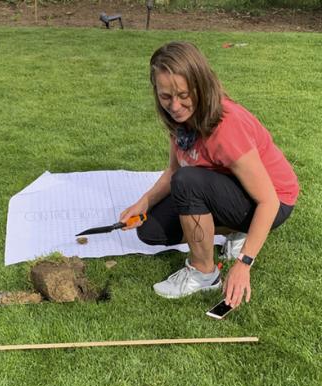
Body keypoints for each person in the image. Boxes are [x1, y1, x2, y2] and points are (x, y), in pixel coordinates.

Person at [120, 41, 299, 309]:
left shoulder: (227, 128)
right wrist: (143, 203)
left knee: (188, 182)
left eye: (183, 95)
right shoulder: (178, 123)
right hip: (233, 191)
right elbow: (173, 170)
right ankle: (238, 230)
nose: (175, 106)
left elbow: (269, 201)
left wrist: (244, 263)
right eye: (165, 96)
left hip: (275, 200)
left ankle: (204, 273)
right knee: (151, 230)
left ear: (200, 86)